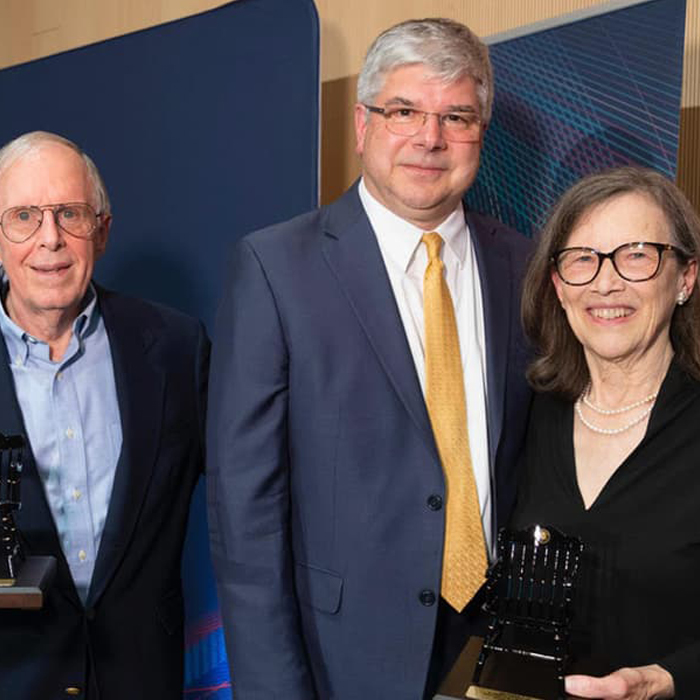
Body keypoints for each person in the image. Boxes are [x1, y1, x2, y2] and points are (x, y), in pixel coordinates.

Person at [207, 17, 532, 699]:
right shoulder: (275, 268)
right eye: (404, 111)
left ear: (480, 133)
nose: (429, 138)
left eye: (457, 117)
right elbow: (246, 515)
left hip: (500, 651)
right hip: (342, 656)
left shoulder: (525, 265)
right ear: (362, 124)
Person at [0, 131, 209, 699]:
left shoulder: (176, 346)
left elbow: (254, 502)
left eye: (70, 214)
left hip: (143, 678)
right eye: (23, 216)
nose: (50, 240)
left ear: (103, 229)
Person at [515, 166, 700, 699]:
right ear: (558, 284)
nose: (606, 281)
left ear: (685, 277)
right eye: (583, 259)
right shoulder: (529, 413)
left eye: (637, 254)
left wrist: (668, 680)